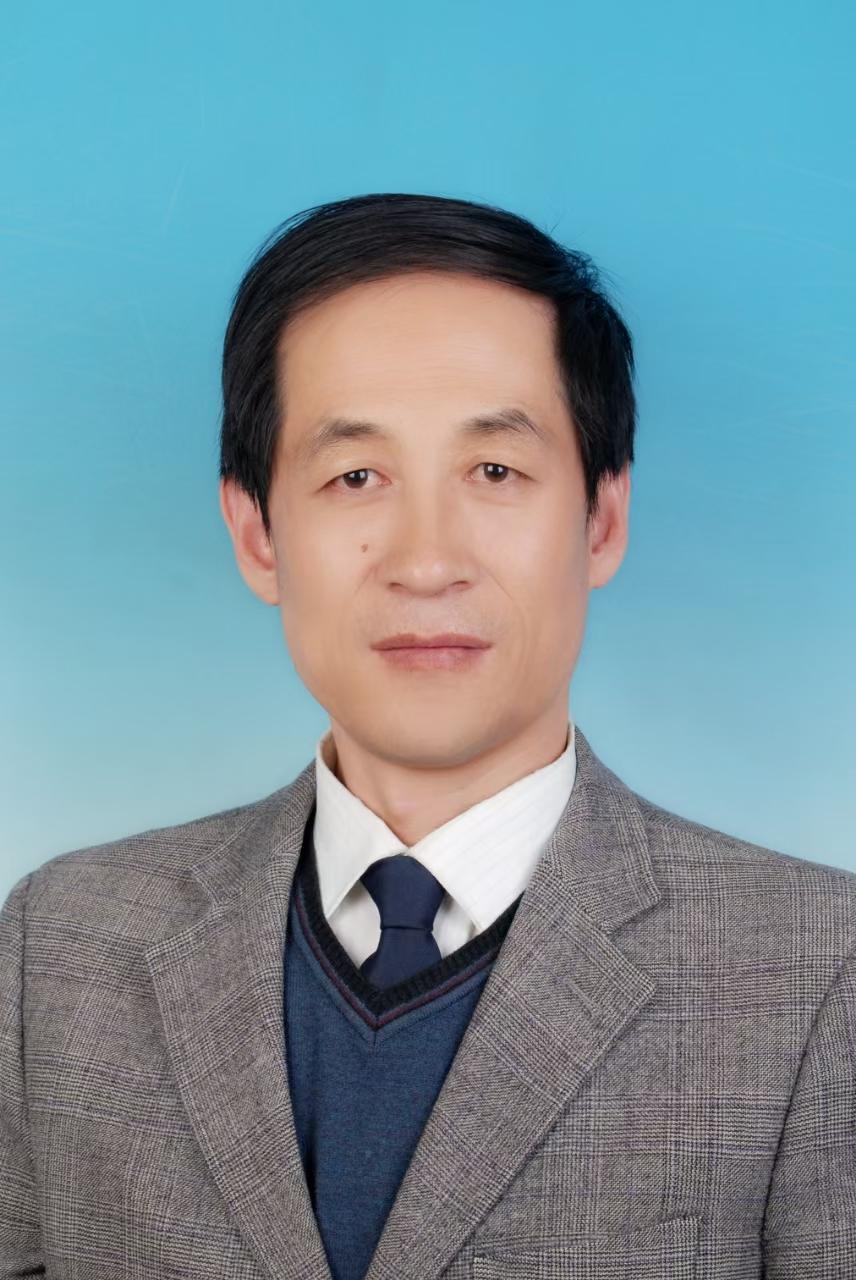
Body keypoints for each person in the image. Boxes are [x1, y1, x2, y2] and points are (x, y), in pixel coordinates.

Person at [2, 193, 854, 1280]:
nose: (426, 561)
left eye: (494, 471)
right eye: (356, 476)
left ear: (601, 520)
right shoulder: (61, 945)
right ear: (258, 535)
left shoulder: (819, 970)